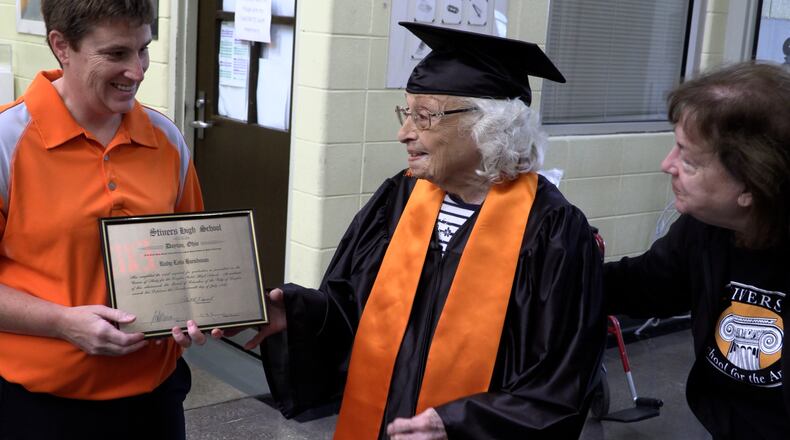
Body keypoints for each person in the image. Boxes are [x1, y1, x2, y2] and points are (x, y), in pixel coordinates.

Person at [234, 22, 606, 439]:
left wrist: (460, 424)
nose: (404, 132)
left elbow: (559, 386)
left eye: (424, 116)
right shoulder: (399, 198)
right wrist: (300, 316)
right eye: (406, 113)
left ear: (490, 126)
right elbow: (352, 310)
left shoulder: (553, 232)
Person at [0, 0, 207, 438]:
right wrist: (62, 323)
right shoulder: (7, 143)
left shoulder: (166, 139)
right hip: (37, 406)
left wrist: (202, 312)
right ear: (62, 46)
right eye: (116, 54)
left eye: (144, 49)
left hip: (154, 399)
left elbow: (193, 259)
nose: (137, 70)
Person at [604, 62, 790, 439]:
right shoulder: (705, 229)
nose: (667, 165)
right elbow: (645, 285)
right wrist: (551, 262)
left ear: (752, 184)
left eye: (689, 160)